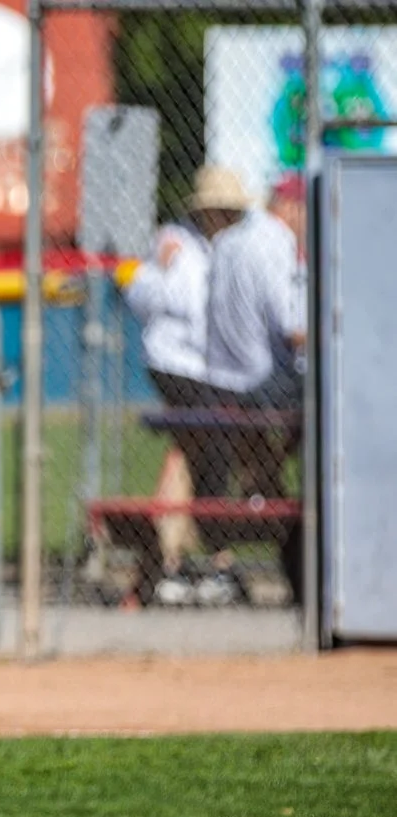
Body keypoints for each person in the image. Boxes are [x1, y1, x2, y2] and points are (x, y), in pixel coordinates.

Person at [122, 165, 251, 604]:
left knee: (195, 450)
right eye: (218, 212)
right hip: (176, 364)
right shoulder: (176, 245)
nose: (224, 220)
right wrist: (161, 272)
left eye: (230, 212)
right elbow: (153, 297)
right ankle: (212, 558)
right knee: (209, 445)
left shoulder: (230, 249)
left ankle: (170, 564)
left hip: (212, 369)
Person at [197, 172, 308, 603]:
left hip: (223, 383)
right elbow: (291, 327)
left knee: (271, 477)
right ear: (291, 208)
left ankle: (300, 573)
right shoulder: (275, 242)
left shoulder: (226, 242)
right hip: (262, 385)